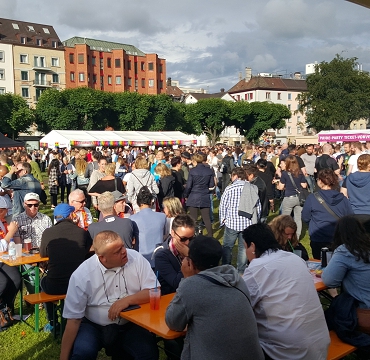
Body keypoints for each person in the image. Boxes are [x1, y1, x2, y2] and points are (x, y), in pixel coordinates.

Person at [60, 231, 159, 360]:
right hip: (94, 325)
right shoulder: (82, 275)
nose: (124, 252)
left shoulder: (136, 258)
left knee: (148, 353)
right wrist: (63, 357)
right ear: (102, 258)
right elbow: (73, 320)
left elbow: (153, 291)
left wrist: (127, 300)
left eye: (123, 246)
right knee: (82, 354)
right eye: (117, 251)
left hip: (130, 323)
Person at [166, 235, 264, 360]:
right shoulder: (236, 278)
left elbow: (173, 322)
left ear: (190, 263)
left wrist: (186, 279)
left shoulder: (191, 286)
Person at [242, 223, 330, 360]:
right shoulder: (295, 258)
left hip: (287, 352)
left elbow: (242, 307)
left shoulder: (256, 269)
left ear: (252, 246)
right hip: (320, 344)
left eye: (245, 247)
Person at [40, 203, 92, 333]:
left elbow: (42, 254)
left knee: (42, 281)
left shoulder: (48, 232)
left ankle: (52, 322)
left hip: (55, 285)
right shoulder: (81, 232)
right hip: (78, 285)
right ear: (70, 215)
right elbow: (87, 251)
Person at [302, 169, 354, 259]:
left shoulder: (312, 198)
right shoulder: (343, 199)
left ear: (320, 181)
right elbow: (350, 217)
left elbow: (305, 217)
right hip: (338, 237)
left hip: (318, 236)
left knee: (319, 265)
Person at [322, 216, 370, 309]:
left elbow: (329, 281)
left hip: (363, 308)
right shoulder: (366, 246)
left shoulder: (345, 251)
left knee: (329, 316)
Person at [220, 167, 261, 273]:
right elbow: (258, 206)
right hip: (247, 223)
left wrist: (223, 219)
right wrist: (256, 219)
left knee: (227, 246)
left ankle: (226, 268)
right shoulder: (252, 187)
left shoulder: (229, 188)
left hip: (232, 223)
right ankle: (241, 270)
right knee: (243, 248)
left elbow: (223, 205)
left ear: (235, 176)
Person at [154, 214, 195, 295]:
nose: (188, 242)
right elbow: (176, 283)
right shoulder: (161, 255)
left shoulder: (195, 246)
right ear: (172, 233)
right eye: (183, 239)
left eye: (191, 238)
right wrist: (188, 257)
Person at [131, 187, 166, 268]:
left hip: (141, 259)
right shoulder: (162, 216)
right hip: (159, 258)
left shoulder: (132, 219)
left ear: (138, 203)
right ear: (151, 202)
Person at [275, 155, 307, 238]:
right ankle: (297, 236)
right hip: (299, 198)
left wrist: (277, 184)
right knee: (298, 218)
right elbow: (304, 185)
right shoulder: (299, 172)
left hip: (289, 198)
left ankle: (284, 236)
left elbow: (281, 187)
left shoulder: (285, 174)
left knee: (285, 219)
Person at [183, 153, 215, 236]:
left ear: (195, 161)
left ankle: (193, 235)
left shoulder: (192, 171)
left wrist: (185, 195)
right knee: (206, 218)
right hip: (204, 194)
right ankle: (210, 236)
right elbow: (211, 185)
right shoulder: (209, 170)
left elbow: (189, 185)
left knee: (193, 218)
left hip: (194, 194)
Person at [0, 196, 21, 315]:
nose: (7, 213)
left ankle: (7, 310)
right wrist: (11, 232)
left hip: (3, 259)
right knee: (2, 282)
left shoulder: (2, 222)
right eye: (4, 210)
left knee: (16, 279)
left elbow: (7, 241)